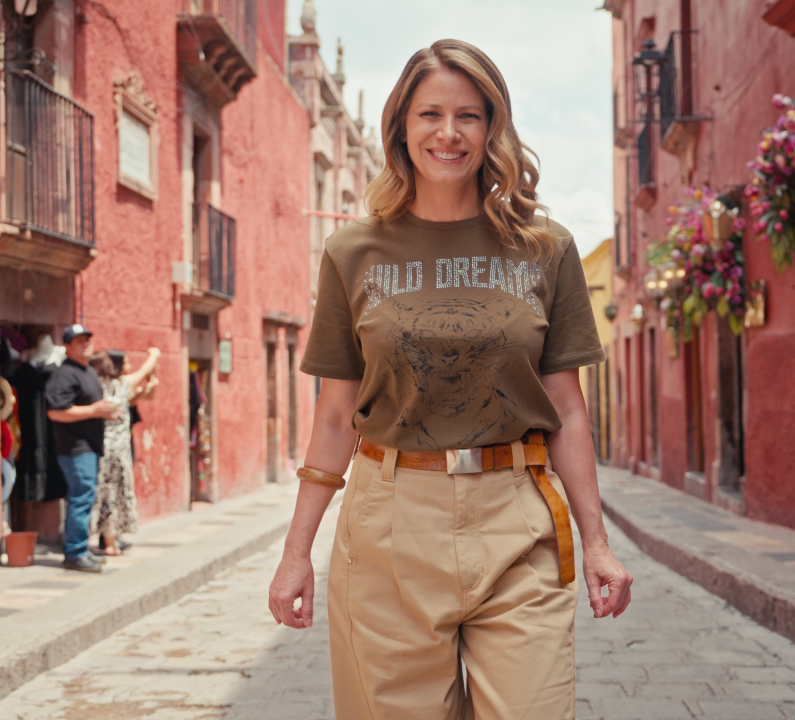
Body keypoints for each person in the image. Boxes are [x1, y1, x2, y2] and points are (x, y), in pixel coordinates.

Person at [268, 39, 634, 719]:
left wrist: (599, 544)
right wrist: (296, 553)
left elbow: (568, 409)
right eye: (429, 113)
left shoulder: (544, 248)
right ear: (401, 128)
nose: (448, 132)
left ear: (493, 127)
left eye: (469, 115)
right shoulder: (352, 253)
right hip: (388, 522)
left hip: (517, 517)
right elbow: (333, 413)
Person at [45, 324, 121, 573]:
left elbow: (90, 407)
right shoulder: (65, 374)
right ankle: (75, 553)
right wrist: (94, 411)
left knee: (86, 497)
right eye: (78, 341)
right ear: (67, 347)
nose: (85, 343)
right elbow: (55, 412)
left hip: (90, 445)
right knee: (81, 496)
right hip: (75, 448)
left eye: (87, 339)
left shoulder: (86, 371)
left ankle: (81, 549)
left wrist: (104, 413)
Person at [88, 348, 160, 556]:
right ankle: (109, 543)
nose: (129, 367)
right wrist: (154, 354)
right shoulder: (118, 385)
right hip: (116, 450)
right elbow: (143, 374)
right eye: (126, 362)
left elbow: (139, 397)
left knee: (106, 495)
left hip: (104, 449)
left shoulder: (102, 388)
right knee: (112, 495)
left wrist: (151, 383)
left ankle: (108, 539)